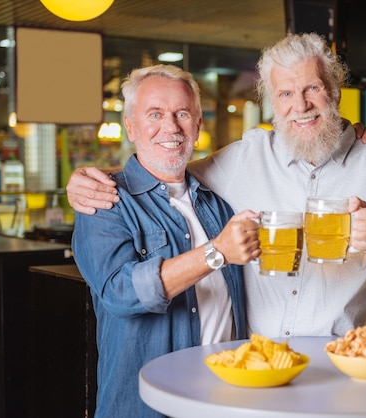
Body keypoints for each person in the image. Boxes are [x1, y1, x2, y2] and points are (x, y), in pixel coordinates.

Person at [69, 33, 366, 339]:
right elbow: (166, 169)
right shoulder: (242, 158)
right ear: (272, 102)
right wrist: (85, 181)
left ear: (335, 91)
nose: (301, 105)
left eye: (312, 89)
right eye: (286, 93)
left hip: (342, 368)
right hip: (256, 370)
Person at [71, 64, 260, 418]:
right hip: (146, 407)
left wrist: (352, 135)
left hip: (225, 403)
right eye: (155, 114)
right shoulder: (104, 200)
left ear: (198, 125)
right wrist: (216, 252)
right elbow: (120, 292)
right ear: (131, 126)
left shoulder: (219, 201)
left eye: (182, 114)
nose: (171, 127)